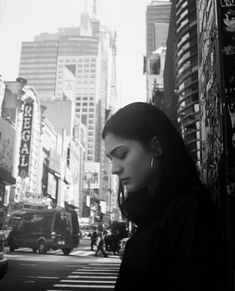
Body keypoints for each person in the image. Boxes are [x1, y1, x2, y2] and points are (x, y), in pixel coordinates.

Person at [102, 102, 224, 290]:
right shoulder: (151, 211)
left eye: (122, 154)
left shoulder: (189, 208)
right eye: (112, 159)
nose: (115, 169)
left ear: (156, 146)